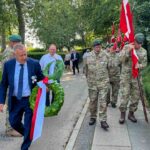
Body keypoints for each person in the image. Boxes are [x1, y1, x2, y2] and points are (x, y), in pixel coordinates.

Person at [0, 44, 44, 150]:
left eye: (25, 54)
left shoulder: (34, 64)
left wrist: (45, 85)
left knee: (29, 124)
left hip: (30, 100)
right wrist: (1, 101)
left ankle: (25, 146)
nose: (24, 57)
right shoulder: (8, 65)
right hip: (15, 100)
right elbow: (4, 84)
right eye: (21, 55)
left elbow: (41, 78)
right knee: (13, 121)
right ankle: (28, 134)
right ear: (15, 54)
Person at [119, 33, 147, 124]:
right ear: (134, 41)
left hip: (136, 77)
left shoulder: (143, 51)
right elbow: (120, 60)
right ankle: (122, 114)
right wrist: (128, 52)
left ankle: (131, 113)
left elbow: (145, 64)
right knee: (125, 95)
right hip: (126, 77)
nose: (140, 45)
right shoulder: (127, 47)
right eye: (138, 43)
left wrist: (140, 65)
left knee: (136, 96)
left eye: (141, 43)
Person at [85, 39, 110, 130]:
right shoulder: (88, 56)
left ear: (101, 46)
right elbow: (85, 70)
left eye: (99, 46)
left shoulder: (106, 55)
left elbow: (110, 68)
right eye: (96, 46)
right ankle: (93, 117)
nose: (98, 48)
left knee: (103, 102)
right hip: (92, 84)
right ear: (93, 47)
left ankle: (103, 120)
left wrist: (107, 80)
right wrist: (89, 81)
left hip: (103, 83)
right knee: (93, 101)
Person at [1, 34, 22, 137]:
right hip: (10, 83)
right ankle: (10, 129)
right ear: (13, 42)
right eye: (18, 43)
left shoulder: (13, 51)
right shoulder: (9, 52)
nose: (19, 45)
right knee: (11, 104)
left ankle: (14, 126)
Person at [107, 43, 121, 108]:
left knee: (115, 91)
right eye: (112, 48)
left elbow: (122, 66)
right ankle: (107, 101)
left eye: (114, 48)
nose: (113, 50)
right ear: (109, 49)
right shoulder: (106, 56)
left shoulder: (118, 56)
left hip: (116, 77)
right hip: (108, 76)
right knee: (107, 90)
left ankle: (114, 102)